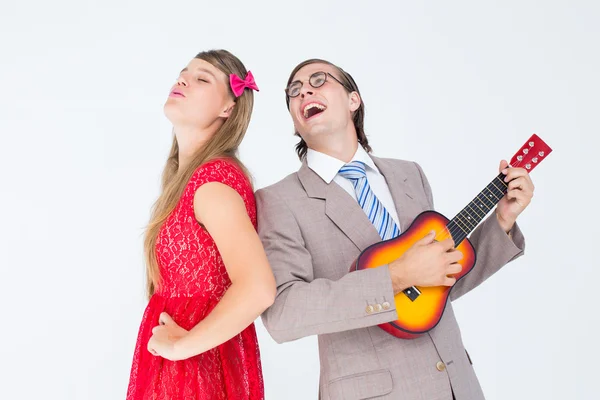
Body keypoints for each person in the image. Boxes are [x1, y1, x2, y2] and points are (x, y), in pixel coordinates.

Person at [256, 58, 533, 400]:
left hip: (457, 386)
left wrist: (501, 220)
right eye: (294, 92)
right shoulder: (279, 201)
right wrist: (395, 277)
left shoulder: (409, 175)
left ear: (353, 100)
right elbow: (284, 315)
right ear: (296, 123)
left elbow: (433, 293)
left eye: (318, 80)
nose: (304, 92)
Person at [126, 49, 275, 400]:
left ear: (228, 108)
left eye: (202, 78)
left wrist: (180, 349)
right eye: (183, 73)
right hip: (186, 364)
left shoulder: (212, 184)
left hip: (196, 370)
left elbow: (258, 289)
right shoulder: (190, 180)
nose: (183, 80)